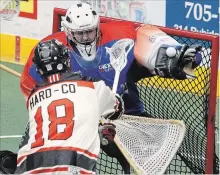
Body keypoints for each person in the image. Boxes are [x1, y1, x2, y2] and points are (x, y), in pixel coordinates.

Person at [2, 2, 202, 174]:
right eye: (79, 33)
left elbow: (149, 39)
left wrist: (172, 54)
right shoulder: (51, 56)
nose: (86, 38)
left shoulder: (118, 35)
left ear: (97, 26)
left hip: (128, 119)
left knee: (147, 157)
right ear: (68, 33)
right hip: (80, 122)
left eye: (89, 31)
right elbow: (35, 102)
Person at [0, 39, 124, 174]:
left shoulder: (33, 98)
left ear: (39, 70)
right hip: (72, 169)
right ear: (67, 60)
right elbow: (117, 109)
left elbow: (55, 133)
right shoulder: (92, 88)